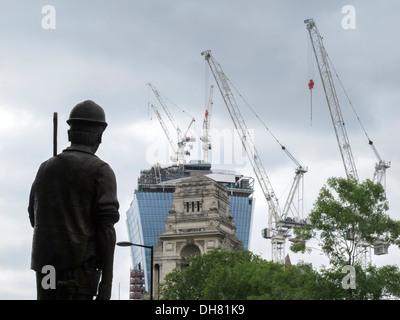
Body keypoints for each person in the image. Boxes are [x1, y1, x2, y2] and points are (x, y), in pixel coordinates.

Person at [28, 100, 120, 300]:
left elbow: (33, 216)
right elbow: (106, 229)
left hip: (46, 268)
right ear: (99, 136)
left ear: (69, 134)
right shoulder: (101, 171)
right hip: (79, 271)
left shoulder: (45, 168)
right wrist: (107, 283)